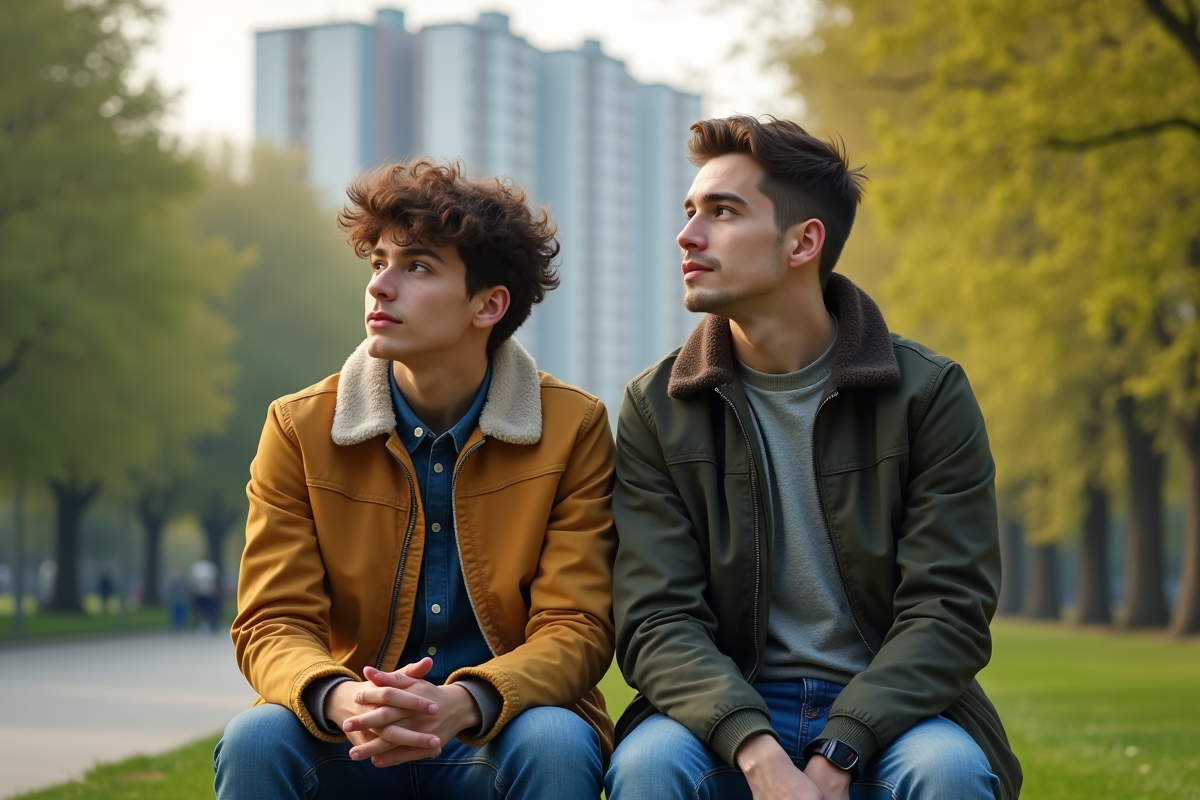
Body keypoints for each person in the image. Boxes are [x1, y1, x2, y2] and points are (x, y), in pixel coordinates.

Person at [605, 116, 1022, 800]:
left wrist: (840, 750)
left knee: (948, 772)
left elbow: (948, 609)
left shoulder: (928, 392)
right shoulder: (658, 405)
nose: (687, 235)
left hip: (894, 710)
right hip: (723, 708)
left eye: (723, 212)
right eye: (689, 212)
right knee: (648, 768)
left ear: (803, 241)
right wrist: (756, 748)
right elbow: (656, 618)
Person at [214, 160, 617, 800]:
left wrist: (464, 701)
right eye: (378, 262)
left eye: (417, 267)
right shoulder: (298, 428)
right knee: (255, 738)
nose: (381, 286)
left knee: (557, 740)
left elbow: (576, 626)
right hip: (353, 731)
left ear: (488, 304)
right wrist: (341, 697)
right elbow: (272, 619)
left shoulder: (573, 427)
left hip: (497, 729)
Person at [189, 559, 219, 633]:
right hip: (200, 592)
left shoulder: (207, 568)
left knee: (208, 610)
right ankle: (198, 625)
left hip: (207, 593)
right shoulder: (199, 568)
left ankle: (210, 625)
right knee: (200, 610)